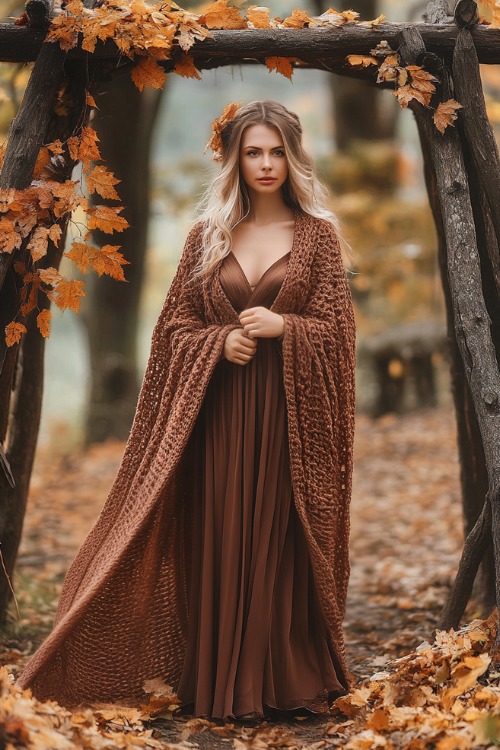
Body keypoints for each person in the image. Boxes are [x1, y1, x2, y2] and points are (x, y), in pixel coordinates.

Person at [16, 99, 357, 724]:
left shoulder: (319, 237)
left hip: (287, 421)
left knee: (276, 541)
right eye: (253, 151)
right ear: (233, 158)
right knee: (221, 538)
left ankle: (279, 679)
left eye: (277, 151)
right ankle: (217, 682)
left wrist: (288, 326)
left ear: (294, 157)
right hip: (217, 418)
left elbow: (337, 333)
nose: (265, 164)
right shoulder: (208, 236)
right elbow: (173, 327)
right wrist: (215, 343)